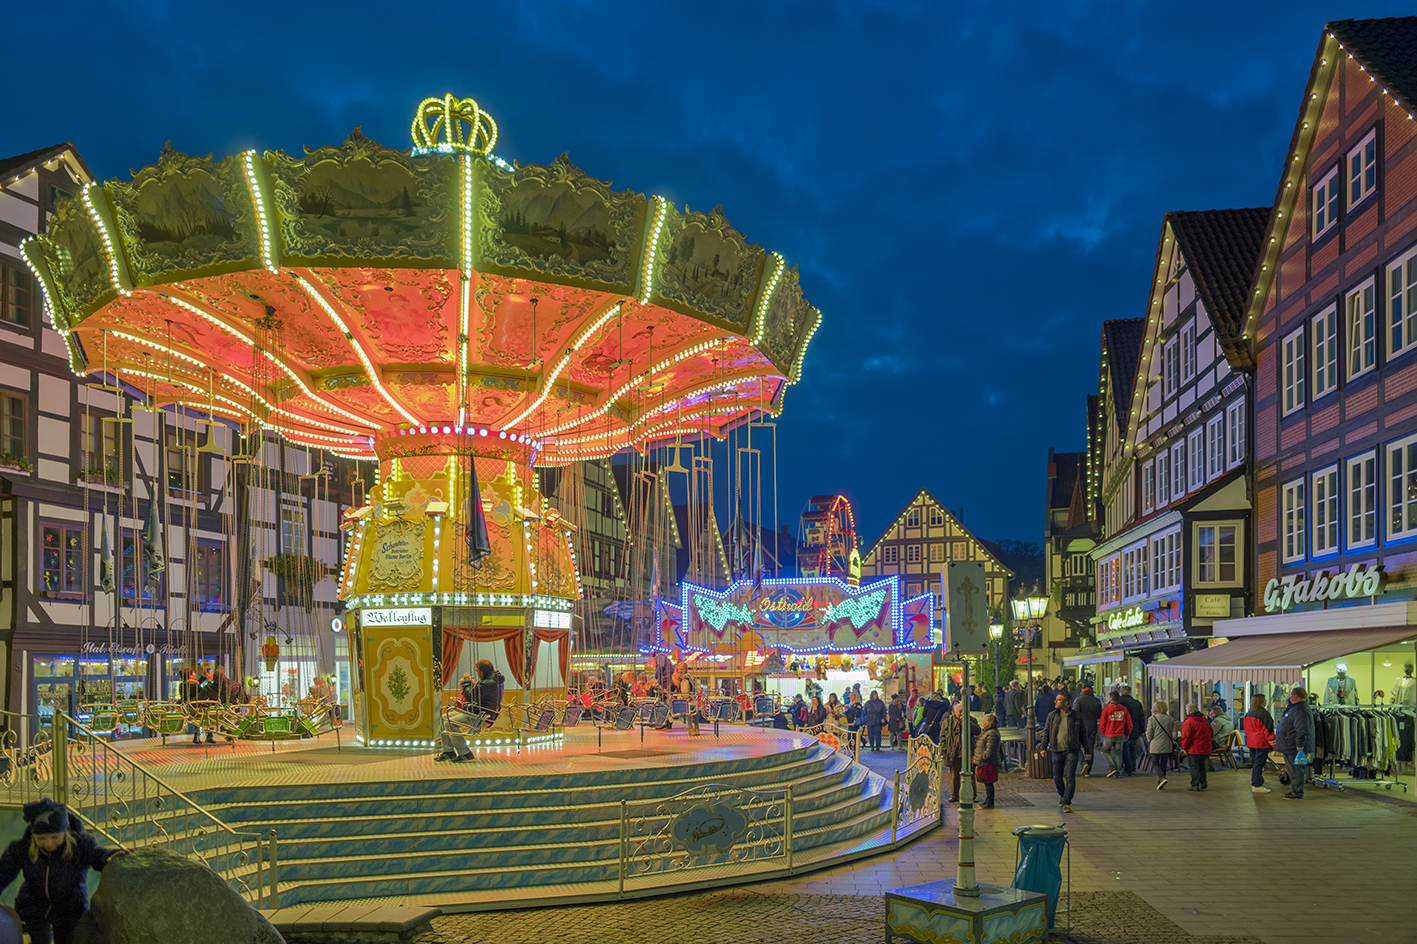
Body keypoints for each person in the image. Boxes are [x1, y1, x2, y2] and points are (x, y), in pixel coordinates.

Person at [0, 799, 126, 944]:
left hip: (69, 908)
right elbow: (3, 872)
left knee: (67, 940)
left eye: (55, 837)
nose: (48, 843)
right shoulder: (22, 848)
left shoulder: (80, 846)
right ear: (33, 834)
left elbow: (97, 855)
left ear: (65, 832)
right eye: (41, 838)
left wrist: (109, 856)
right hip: (35, 906)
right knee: (40, 940)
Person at [1041, 693, 1082, 812]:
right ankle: (1063, 794)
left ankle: (1067, 802)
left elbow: (1082, 733)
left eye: (1058, 700)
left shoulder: (1076, 716)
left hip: (1071, 750)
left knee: (1070, 777)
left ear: (1066, 703)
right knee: (1057, 777)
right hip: (1057, 750)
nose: (1055, 702)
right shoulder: (1052, 715)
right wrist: (1043, 747)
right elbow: (1047, 731)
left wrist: (1088, 751)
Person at [1275, 685, 1315, 799]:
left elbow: (1302, 729)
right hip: (1290, 744)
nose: (1290, 696)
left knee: (1296, 769)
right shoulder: (1296, 708)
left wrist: (1299, 745)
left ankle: (1297, 792)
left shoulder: (1300, 709)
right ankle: (1295, 790)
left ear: (1295, 696)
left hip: (1293, 745)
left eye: (1291, 694)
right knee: (1294, 769)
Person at [941, 702, 982, 802]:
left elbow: (977, 731)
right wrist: (945, 749)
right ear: (954, 712)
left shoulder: (971, 719)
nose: (962, 713)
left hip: (968, 751)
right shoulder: (948, 721)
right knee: (954, 775)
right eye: (960, 711)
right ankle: (955, 795)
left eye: (963, 711)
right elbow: (942, 737)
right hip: (953, 751)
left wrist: (967, 722)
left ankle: (972, 796)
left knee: (970, 774)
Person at [1243, 693, 1276, 794]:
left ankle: (1257, 781)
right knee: (1259, 764)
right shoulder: (1264, 714)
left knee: (1255, 763)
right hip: (1261, 743)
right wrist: (1274, 745)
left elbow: (1246, 728)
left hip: (1251, 742)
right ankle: (1256, 784)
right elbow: (1268, 731)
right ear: (1262, 701)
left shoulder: (1248, 713)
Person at [1098, 691, 1133, 777]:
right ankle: (1117, 771)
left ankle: (1112, 768)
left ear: (1110, 698)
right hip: (1120, 735)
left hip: (1109, 734)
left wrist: (1103, 732)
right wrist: (1127, 734)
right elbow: (1129, 724)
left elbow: (1102, 723)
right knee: (1118, 753)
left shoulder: (1106, 709)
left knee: (1106, 751)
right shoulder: (1124, 709)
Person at [973, 713, 1003, 809]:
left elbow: (990, 748)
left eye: (984, 720)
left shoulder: (991, 733)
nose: (983, 722)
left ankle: (989, 802)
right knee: (987, 782)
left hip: (989, 762)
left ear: (988, 722)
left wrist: (983, 757)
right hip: (987, 761)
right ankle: (988, 801)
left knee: (988, 782)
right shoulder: (988, 731)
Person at [1072, 684, 1103, 777]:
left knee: (1076, 746)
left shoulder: (1079, 699)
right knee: (1089, 748)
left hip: (1080, 727)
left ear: (1083, 690)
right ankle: (1088, 770)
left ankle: (1083, 763)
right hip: (1092, 726)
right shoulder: (1097, 701)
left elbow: (1075, 713)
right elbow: (1099, 715)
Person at [1180, 704, 1212, 792]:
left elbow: (1186, 737)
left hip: (1194, 748)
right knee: (1202, 765)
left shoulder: (1189, 722)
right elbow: (1211, 732)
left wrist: (1184, 748)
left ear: (1188, 711)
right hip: (1205, 747)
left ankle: (1195, 784)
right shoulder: (1205, 720)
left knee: (1194, 766)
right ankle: (1203, 782)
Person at [1146, 701, 1176, 790]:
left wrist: (1149, 740)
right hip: (1167, 744)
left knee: (1155, 762)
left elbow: (1149, 733)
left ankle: (1162, 777)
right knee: (1163, 762)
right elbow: (1174, 735)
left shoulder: (1152, 719)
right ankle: (1161, 781)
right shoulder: (1170, 719)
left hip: (1155, 744)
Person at [1118, 685, 1147, 775]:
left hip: (1122, 729)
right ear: (1130, 692)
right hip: (1134, 729)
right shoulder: (1137, 703)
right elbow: (1141, 718)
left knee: (1123, 749)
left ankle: (1126, 767)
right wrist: (1142, 730)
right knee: (1132, 747)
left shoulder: (1118, 702)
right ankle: (1133, 767)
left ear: (1122, 691)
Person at [1208, 704, 1235, 770]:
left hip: (1218, 743)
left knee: (1199, 746)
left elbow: (1210, 733)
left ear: (1214, 713)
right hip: (1223, 742)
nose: (1210, 716)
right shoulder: (1226, 719)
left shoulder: (1218, 721)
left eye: (1211, 714)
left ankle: (1208, 766)